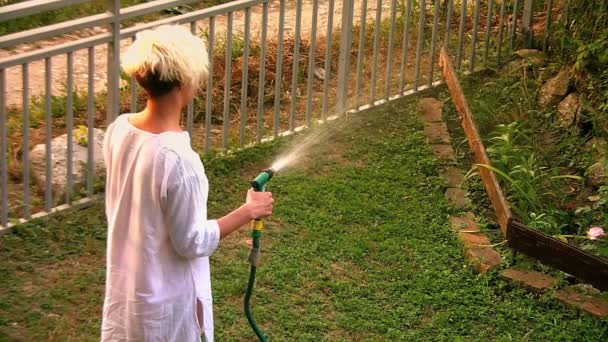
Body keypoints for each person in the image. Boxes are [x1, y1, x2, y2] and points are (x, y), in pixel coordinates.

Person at [101, 25, 274, 342]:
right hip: (164, 304)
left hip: (128, 292)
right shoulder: (178, 160)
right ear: (184, 81)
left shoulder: (119, 130)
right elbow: (191, 242)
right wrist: (248, 210)